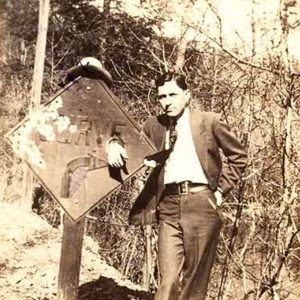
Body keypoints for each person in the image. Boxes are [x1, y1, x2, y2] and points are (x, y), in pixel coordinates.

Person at [107, 72, 247, 300]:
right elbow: (128, 142)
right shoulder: (154, 125)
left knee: (194, 283)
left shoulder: (210, 121)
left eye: (173, 94)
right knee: (168, 281)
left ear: (187, 95)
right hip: (168, 207)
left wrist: (220, 192)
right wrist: (114, 144)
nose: (167, 101)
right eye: (162, 96)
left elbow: (238, 156)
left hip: (202, 203)